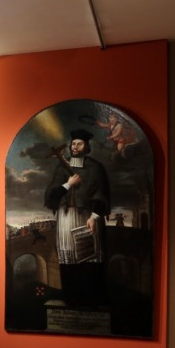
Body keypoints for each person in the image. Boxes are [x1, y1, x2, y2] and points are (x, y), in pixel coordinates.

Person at [43, 128, 111, 307]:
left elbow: (102, 194)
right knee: (69, 256)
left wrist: (94, 217)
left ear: (87, 146)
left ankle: (93, 300)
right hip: (66, 218)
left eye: (79, 144)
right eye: (73, 143)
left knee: (90, 256)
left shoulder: (96, 168)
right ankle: (72, 299)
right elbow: (51, 196)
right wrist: (68, 184)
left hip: (88, 216)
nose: (75, 147)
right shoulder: (61, 167)